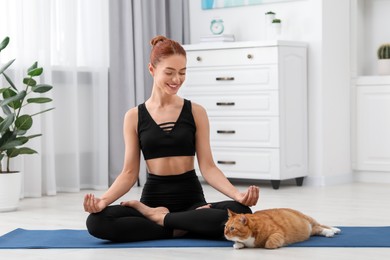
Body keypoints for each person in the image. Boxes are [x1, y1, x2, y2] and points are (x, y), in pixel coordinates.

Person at [83, 35, 260, 242]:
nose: (177, 80)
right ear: (152, 69)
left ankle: (163, 221)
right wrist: (103, 201)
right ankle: (183, 225)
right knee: (96, 222)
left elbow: (208, 167)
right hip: (152, 201)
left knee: (242, 212)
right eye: (169, 72)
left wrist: (237, 195)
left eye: (182, 73)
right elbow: (130, 173)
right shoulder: (134, 116)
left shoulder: (196, 112)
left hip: (192, 202)